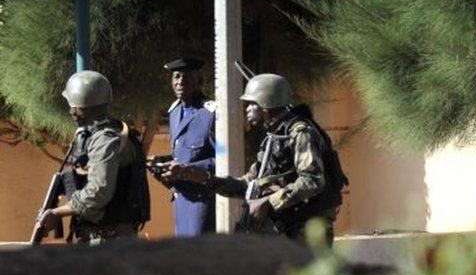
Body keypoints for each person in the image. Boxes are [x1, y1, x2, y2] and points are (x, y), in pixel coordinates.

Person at [182, 73, 345, 244]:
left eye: (252, 104)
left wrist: (267, 202)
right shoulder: (273, 138)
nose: (247, 109)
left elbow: (312, 180)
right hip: (286, 229)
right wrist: (205, 179)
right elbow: (248, 184)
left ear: (265, 105)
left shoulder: (300, 133)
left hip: (308, 230)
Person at [34, 71, 150, 245]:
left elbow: (99, 191)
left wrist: (58, 213)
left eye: (73, 106)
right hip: (104, 235)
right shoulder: (108, 132)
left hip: (108, 238)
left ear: (82, 107)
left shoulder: (104, 139)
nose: (71, 112)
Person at [151, 57, 217, 237]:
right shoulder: (174, 112)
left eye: (186, 77)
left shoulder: (210, 114)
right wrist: (163, 163)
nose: (180, 81)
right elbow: (180, 154)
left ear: (199, 80)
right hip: (180, 199)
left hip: (202, 201)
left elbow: (225, 160)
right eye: (176, 77)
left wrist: (188, 170)